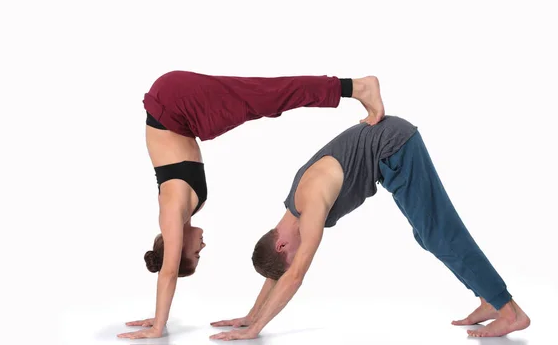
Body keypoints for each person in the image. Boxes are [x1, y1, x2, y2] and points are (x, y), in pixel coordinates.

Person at [117, 70, 385, 339]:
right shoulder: (187, 210)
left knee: (267, 96)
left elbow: (169, 272)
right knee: (266, 101)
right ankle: (354, 88)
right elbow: (170, 267)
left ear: (177, 248)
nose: (203, 248)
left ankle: (358, 87)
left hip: (174, 102)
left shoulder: (171, 212)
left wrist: (157, 325)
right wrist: (252, 318)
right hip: (184, 114)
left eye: (196, 254)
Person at [211, 116, 530, 340]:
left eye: (290, 256)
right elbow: (281, 271)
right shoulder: (290, 217)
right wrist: (251, 315)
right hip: (390, 151)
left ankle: (510, 312)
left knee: (439, 233)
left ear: (281, 245)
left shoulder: (310, 204)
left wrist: (257, 330)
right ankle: (490, 299)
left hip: (395, 146)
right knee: (428, 236)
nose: (299, 255)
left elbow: (294, 275)